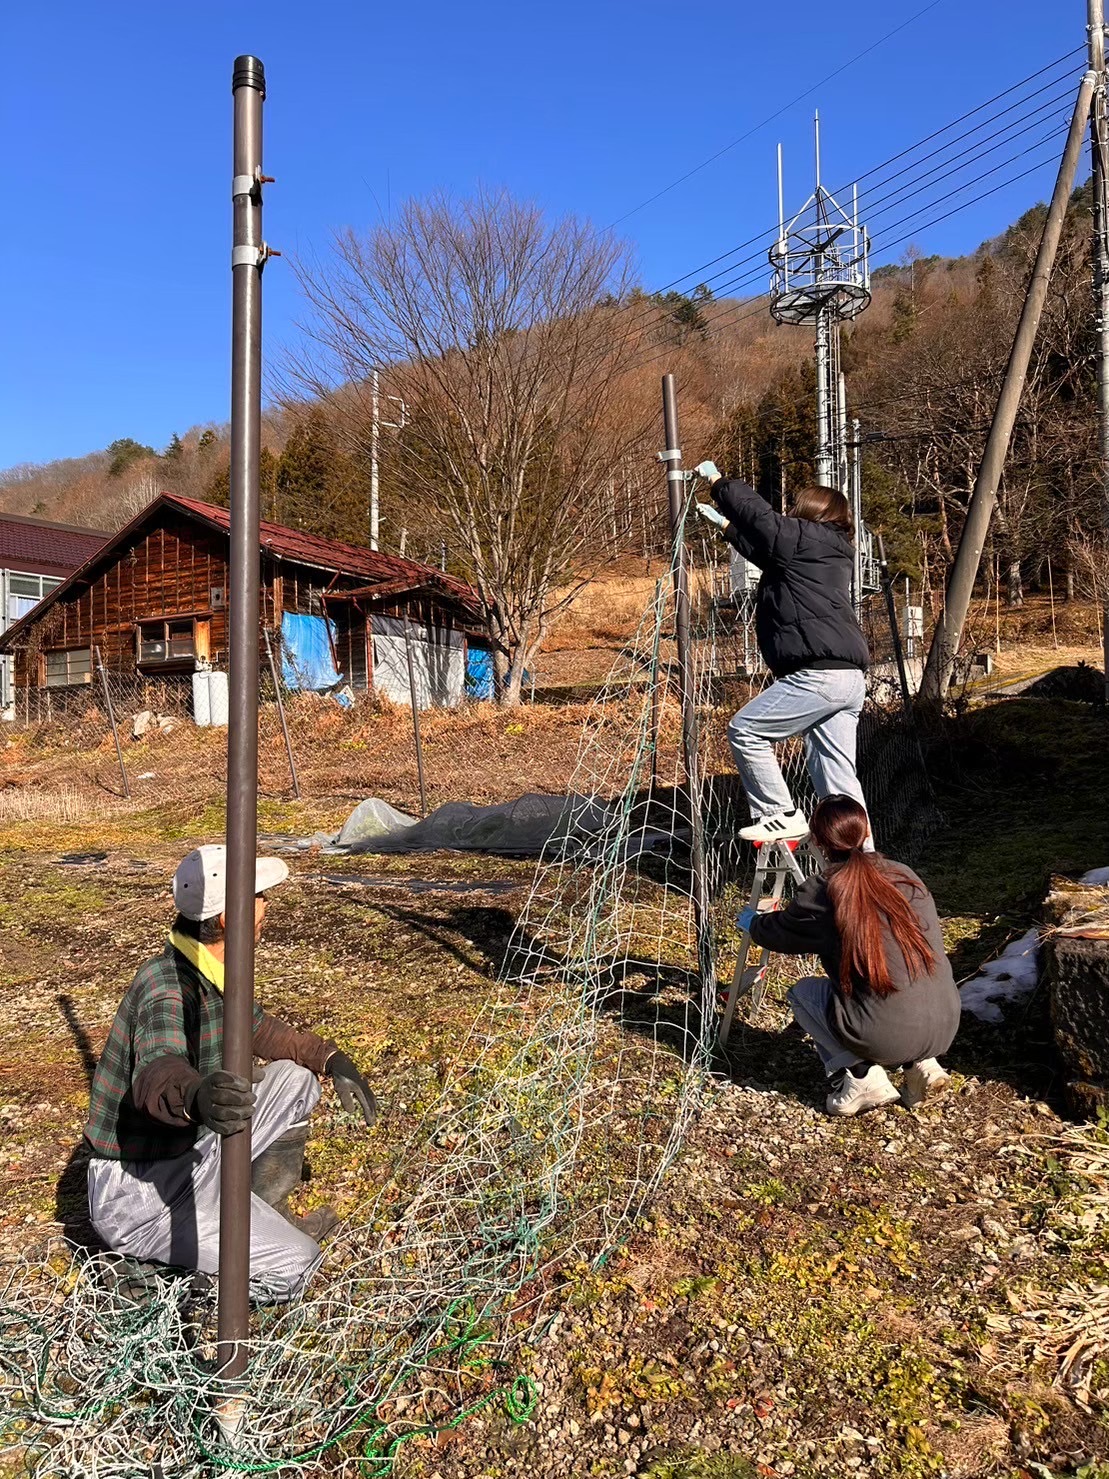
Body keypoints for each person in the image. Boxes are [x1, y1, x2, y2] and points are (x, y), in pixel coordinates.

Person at [84, 844, 377, 1302]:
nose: (267, 905)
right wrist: (195, 1096)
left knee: (296, 1080)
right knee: (297, 1265)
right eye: (259, 896)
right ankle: (155, 1268)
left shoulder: (214, 970)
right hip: (141, 1192)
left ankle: (262, 1209)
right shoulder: (167, 986)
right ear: (227, 917)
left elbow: (259, 1030)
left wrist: (330, 1059)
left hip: (194, 1152)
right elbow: (157, 1073)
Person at [738, 795, 959, 1117]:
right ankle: (922, 1066)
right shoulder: (904, 875)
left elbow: (783, 933)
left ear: (817, 840)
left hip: (884, 1034)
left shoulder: (823, 891)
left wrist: (755, 923)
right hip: (946, 1020)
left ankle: (861, 1076)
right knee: (900, 978)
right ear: (867, 831)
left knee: (803, 993)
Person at [694, 460, 870, 845]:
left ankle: (779, 814)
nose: (791, 511)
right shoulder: (828, 548)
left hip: (818, 674)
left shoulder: (806, 536)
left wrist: (719, 482)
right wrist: (726, 527)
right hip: (848, 678)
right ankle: (863, 857)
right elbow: (767, 552)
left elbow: (762, 519)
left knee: (747, 730)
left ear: (812, 511)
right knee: (838, 779)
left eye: (797, 507)